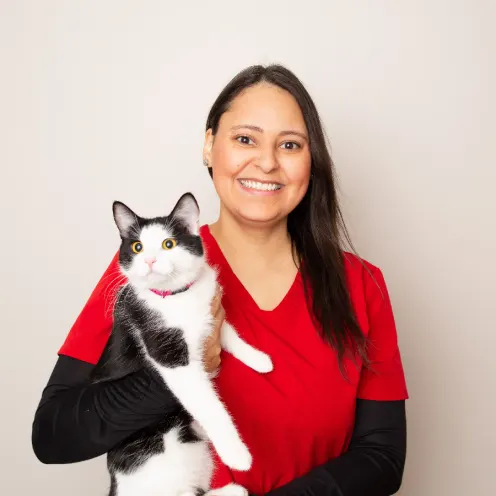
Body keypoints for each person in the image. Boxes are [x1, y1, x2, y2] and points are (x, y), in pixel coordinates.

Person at [32, 64, 408, 496]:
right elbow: (53, 434)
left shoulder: (361, 285)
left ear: (312, 160)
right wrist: (179, 372)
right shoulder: (146, 278)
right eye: (245, 139)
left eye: (289, 145)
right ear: (210, 146)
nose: (266, 162)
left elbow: (383, 456)